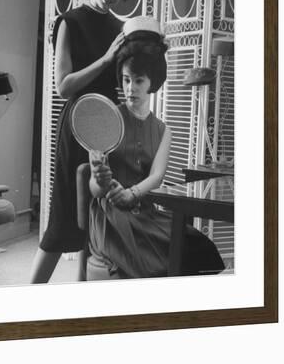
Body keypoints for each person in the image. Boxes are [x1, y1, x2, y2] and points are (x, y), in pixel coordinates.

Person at [30, 0, 140, 283]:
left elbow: (127, 83)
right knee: (65, 215)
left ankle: (82, 292)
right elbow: (63, 85)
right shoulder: (70, 21)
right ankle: (27, 295)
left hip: (111, 128)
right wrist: (107, 59)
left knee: (98, 214)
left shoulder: (121, 28)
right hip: (78, 123)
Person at [86, 18, 225, 280]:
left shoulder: (163, 131)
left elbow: (156, 177)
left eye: (138, 81)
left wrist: (132, 194)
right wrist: (98, 178)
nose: (130, 88)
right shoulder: (105, 120)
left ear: (153, 82)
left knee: (200, 247)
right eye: (126, 79)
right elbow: (94, 190)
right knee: (155, 264)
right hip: (112, 217)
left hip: (146, 213)